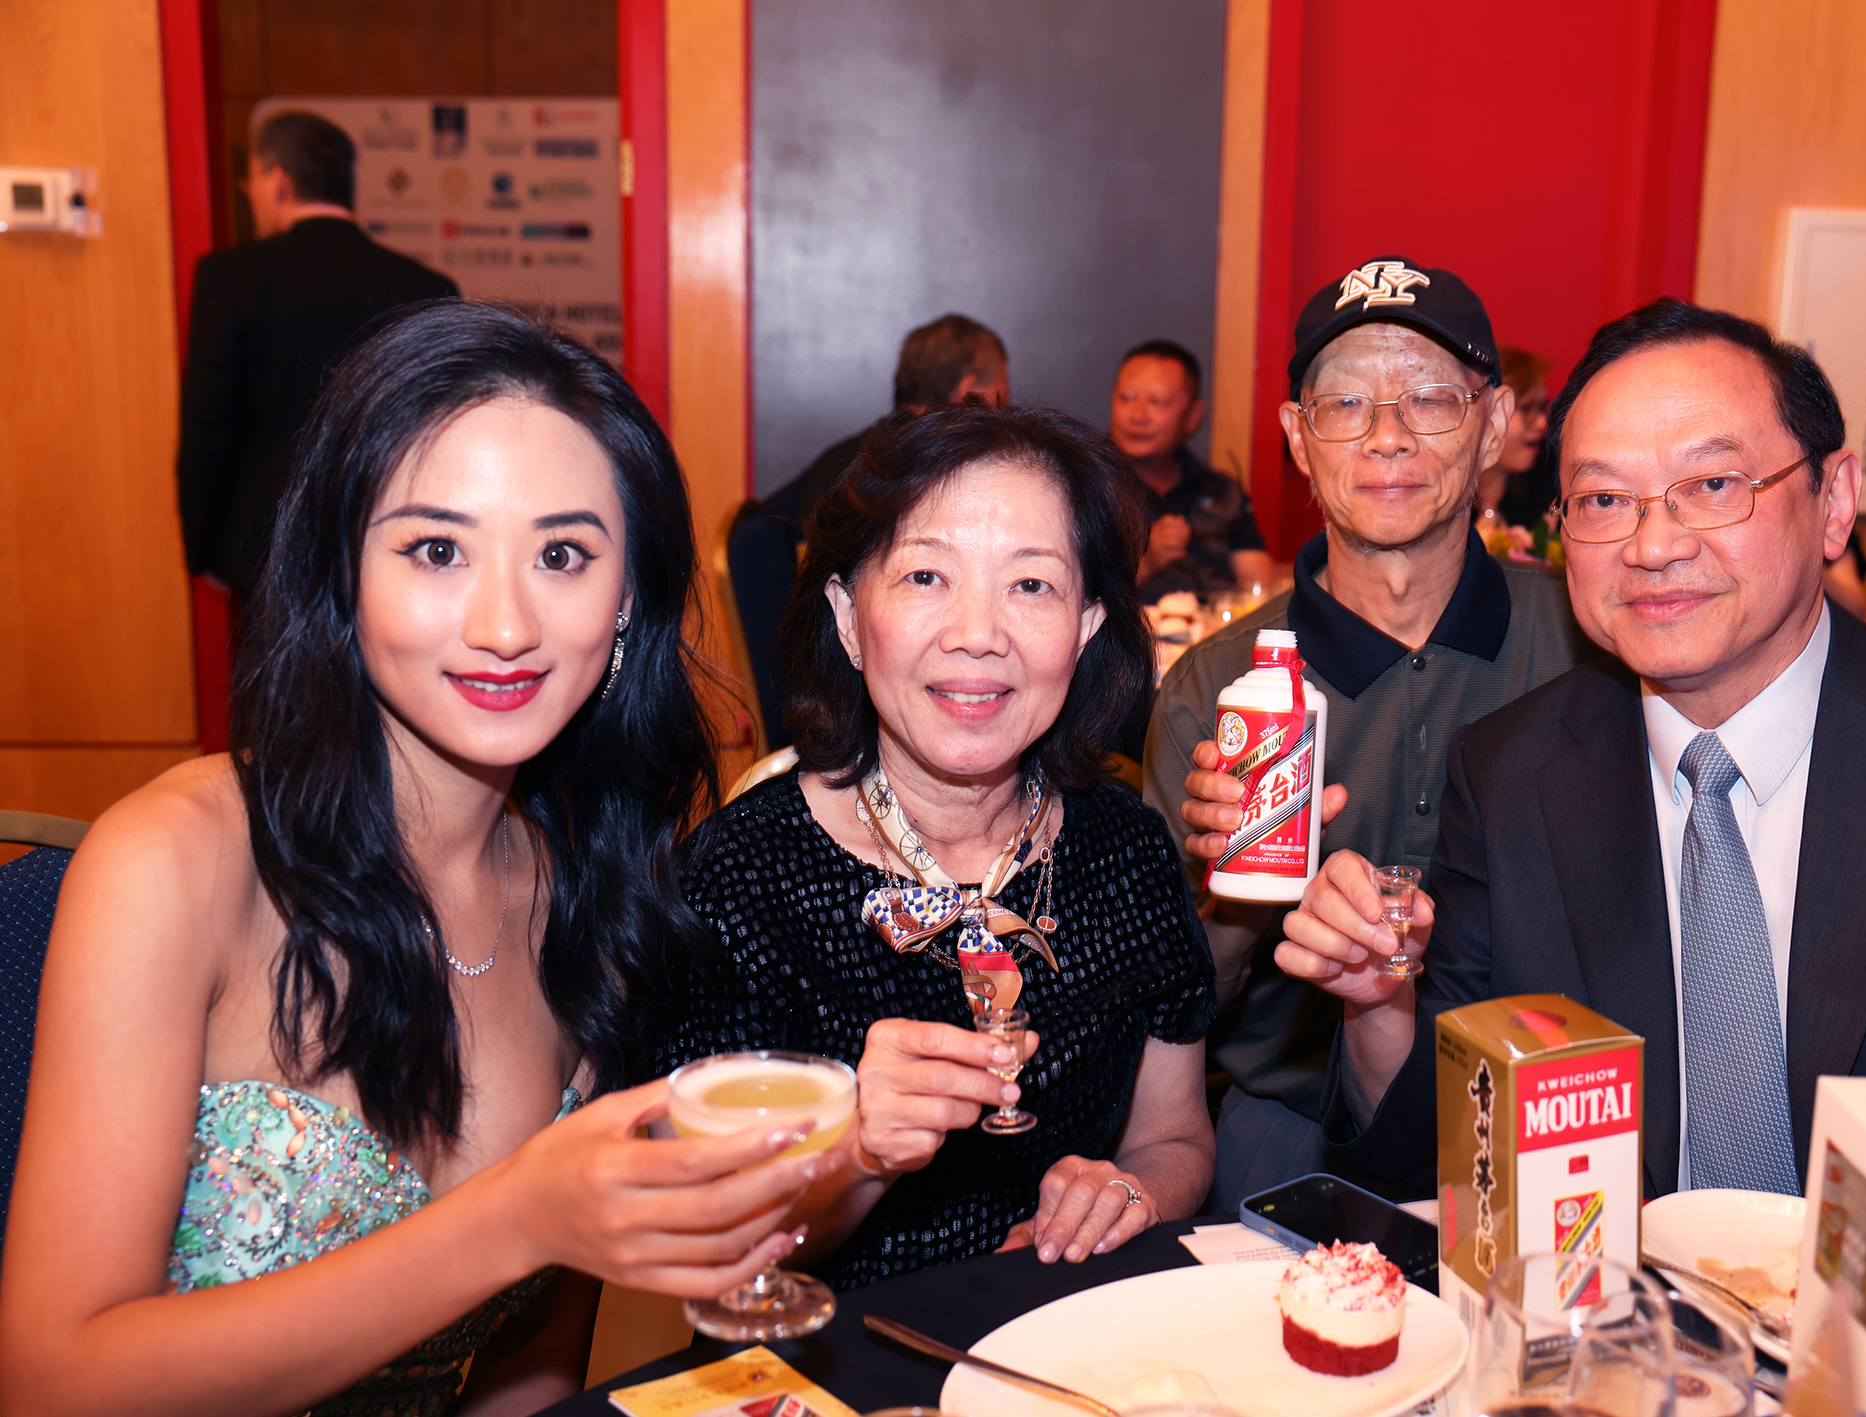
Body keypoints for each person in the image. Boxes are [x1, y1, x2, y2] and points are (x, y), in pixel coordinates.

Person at [1, 303, 825, 1415]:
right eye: (437, 550)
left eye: (563, 556)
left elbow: (528, 1375)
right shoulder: (181, 861)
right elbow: (53, 1384)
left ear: (627, 596)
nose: (504, 625)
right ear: (343, 568)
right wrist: (514, 1220)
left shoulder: (591, 909)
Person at [1254, 297, 1866, 1196]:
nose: (1654, 545)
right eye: (1603, 499)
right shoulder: (1508, 775)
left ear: (1833, 503)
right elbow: (1443, 1151)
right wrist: (1378, 1002)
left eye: (1712, 485)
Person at [653, 403, 1217, 1286]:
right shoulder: (741, 879)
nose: (977, 634)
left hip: (1067, 1336)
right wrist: (856, 1151)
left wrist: (1130, 1190)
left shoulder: (1127, 849)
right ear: (847, 617)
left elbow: (1174, 1138)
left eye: (1031, 585)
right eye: (925, 576)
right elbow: (708, 1249)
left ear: (1085, 626)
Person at [1142, 257, 1592, 1208]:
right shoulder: (1215, 688)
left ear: (1493, 426)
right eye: (1344, 404)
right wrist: (1228, 884)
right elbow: (1173, 1011)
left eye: (1428, 398)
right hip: (1291, 1127)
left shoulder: (1588, 645)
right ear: (1296, 439)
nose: (1387, 436)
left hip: (1553, 1113)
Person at [177, 110, 459, 601]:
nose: (249, 193)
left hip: (264, 543)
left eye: (252, 179)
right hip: (387, 534)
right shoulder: (424, 287)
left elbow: (209, 429)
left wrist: (203, 549)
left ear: (278, 182)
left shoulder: (232, 278)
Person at [764, 313, 1011, 530]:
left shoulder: (848, 456)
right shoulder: (926, 470)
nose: (1006, 405)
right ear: (971, 389)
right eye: (1003, 385)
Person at [1111, 340, 1272, 597]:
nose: (1138, 416)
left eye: (1157, 402)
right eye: (1127, 398)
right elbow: (1074, 593)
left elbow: (1258, 583)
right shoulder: (1083, 484)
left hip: (1220, 619)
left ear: (1194, 416)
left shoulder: (1221, 491)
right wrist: (1148, 562)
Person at [1474, 346, 1556, 537]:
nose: (1541, 423)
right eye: (1527, 408)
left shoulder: (1548, 489)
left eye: (1541, 408)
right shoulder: (1444, 496)